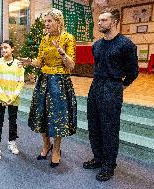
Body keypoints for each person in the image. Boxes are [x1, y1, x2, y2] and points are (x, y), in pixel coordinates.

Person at [83, 8, 139, 182]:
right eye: (99, 20)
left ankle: (109, 165)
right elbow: (98, 65)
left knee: (109, 129)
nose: (99, 23)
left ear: (114, 22)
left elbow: (133, 71)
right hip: (96, 86)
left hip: (112, 87)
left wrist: (122, 85)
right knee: (94, 125)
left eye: (103, 20)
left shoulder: (126, 44)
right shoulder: (97, 45)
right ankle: (98, 158)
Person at [18, 8, 77, 168]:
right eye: (45, 21)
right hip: (44, 80)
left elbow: (71, 66)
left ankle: (56, 150)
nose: (46, 24)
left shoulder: (68, 38)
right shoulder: (44, 39)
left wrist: (62, 52)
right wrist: (30, 61)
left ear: (58, 22)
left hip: (59, 81)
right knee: (41, 114)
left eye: (49, 21)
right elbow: (40, 62)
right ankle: (46, 145)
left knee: (58, 116)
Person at [0, 40, 25, 160]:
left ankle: (12, 142)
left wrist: (12, 98)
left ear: (12, 49)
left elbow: (21, 82)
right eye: (2, 48)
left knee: (13, 122)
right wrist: (4, 98)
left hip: (13, 100)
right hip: (0, 99)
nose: (3, 50)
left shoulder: (19, 64)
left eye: (6, 47)